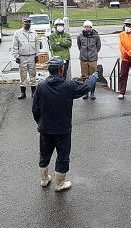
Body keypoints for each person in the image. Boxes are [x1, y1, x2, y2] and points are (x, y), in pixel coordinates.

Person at [32, 57, 99, 192]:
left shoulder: (40, 86)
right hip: (62, 129)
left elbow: (35, 109)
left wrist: (41, 122)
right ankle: (59, 184)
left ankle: (44, 180)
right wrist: (94, 77)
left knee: (44, 154)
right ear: (61, 70)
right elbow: (85, 87)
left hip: (45, 128)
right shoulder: (68, 86)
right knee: (62, 156)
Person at [12, 17, 39, 99]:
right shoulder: (17, 33)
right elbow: (15, 46)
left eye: (29, 22)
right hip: (22, 57)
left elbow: (37, 44)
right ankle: (23, 93)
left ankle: (34, 93)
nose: (27, 24)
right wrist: (16, 56)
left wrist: (37, 55)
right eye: (26, 22)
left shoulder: (34, 32)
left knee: (33, 75)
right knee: (22, 75)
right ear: (22, 23)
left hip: (32, 56)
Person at [77, 20, 102, 100]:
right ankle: (86, 93)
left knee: (93, 77)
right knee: (84, 77)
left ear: (91, 27)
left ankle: (92, 93)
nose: (87, 28)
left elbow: (98, 46)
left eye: (89, 27)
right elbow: (79, 46)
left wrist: (94, 53)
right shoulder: (80, 36)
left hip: (93, 59)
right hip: (83, 59)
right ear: (83, 27)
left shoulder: (96, 36)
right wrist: (83, 53)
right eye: (86, 27)